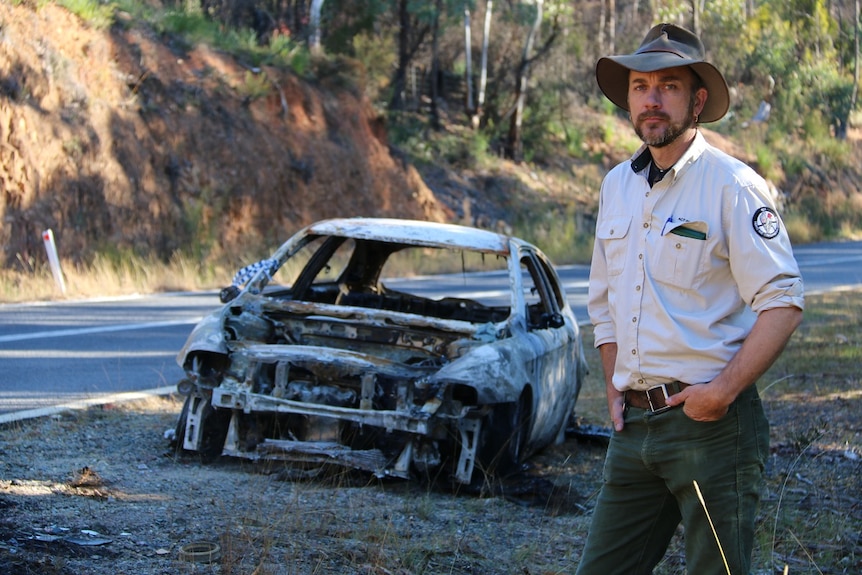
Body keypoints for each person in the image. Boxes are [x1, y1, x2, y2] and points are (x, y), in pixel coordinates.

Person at [578, 23, 804, 575]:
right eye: (639, 87)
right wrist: (613, 383)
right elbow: (604, 303)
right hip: (633, 431)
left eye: (668, 86)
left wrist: (721, 393)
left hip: (710, 427)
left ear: (697, 99)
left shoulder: (733, 186)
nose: (651, 99)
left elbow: (783, 299)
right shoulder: (616, 186)